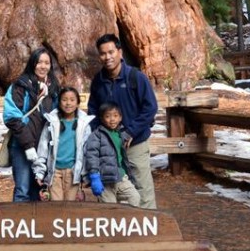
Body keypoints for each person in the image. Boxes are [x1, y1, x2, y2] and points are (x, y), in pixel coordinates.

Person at [86, 33, 158, 209]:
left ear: (120, 52)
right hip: (108, 147)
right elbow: (93, 111)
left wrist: (130, 131)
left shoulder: (135, 77)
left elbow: (150, 108)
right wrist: (100, 136)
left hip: (134, 144)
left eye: (111, 52)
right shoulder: (98, 81)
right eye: (103, 53)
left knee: (142, 189)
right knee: (110, 190)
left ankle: (148, 231)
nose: (107, 57)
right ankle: (117, 233)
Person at [2, 48, 60, 202]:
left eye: (47, 63)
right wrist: (28, 145)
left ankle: (36, 226)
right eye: (39, 62)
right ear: (32, 64)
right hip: (22, 147)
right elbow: (11, 117)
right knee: (22, 190)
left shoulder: (54, 88)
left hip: (43, 149)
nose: (43, 66)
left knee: (38, 192)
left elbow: (58, 117)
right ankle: (19, 225)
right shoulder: (20, 86)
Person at [33, 87, 93, 201]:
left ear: (77, 103)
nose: (68, 103)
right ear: (59, 102)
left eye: (72, 100)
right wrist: (39, 172)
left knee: (71, 207)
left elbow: (86, 151)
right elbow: (43, 148)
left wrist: (85, 175)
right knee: (56, 206)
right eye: (64, 100)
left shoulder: (84, 125)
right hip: (55, 172)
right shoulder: (51, 123)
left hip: (73, 172)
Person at [83, 102, 141, 207]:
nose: (112, 119)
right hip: (104, 181)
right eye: (108, 116)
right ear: (102, 118)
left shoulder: (121, 134)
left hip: (120, 177)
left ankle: (126, 221)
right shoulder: (96, 135)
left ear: (120, 117)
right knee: (110, 209)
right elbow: (92, 156)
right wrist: (94, 176)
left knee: (134, 197)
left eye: (115, 116)